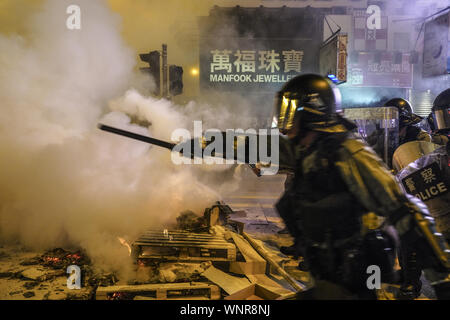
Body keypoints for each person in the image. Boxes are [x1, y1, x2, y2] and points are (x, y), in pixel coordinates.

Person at [204, 74, 449, 299]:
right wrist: (203, 144)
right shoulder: (306, 149)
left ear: (311, 113)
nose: (284, 119)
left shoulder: (350, 154)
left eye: (289, 110)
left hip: (354, 278)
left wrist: (442, 279)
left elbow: (408, 211)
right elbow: (257, 145)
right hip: (327, 272)